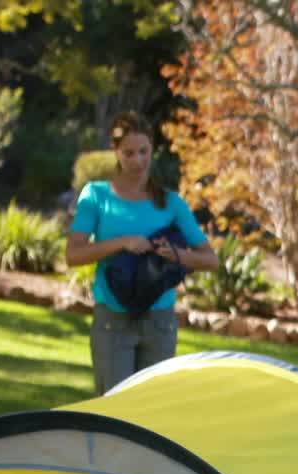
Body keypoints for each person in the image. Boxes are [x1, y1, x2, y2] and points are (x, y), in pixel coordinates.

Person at [65, 111, 218, 396]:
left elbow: (210, 260)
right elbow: (74, 255)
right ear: (116, 153)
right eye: (129, 153)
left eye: (144, 152)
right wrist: (122, 242)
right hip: (112, 319)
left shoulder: (171, 202)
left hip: (159, 321)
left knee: (152, 412)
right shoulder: (96, 196)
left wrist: (174, 255)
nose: (138, 161)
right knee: (113, 411)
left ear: (152, 150)